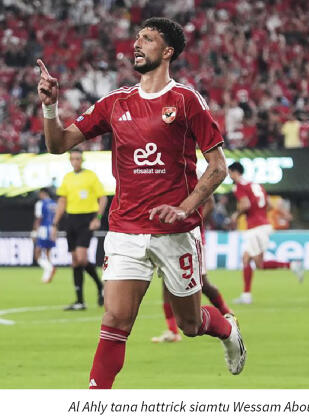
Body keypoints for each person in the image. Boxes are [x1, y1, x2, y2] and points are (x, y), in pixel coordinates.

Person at [37, 17, 246, 388]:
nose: (137, 43)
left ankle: (227, 329)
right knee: (115, 320)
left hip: (176, 232)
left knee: (190, 324)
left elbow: (217, 168)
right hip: (126, 230)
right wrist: (50, 108)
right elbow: (57, 144)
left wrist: (185, 207)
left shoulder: (186, 101)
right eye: (137, 37)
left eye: (147, 38)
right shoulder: (115, 102)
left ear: (167, 52)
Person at [152, 194, 232, 343]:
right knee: (166, 285)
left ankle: (229, 316)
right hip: (169, 238)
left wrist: (193, 222)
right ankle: (172, 331)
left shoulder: (194, 179)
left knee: (204, 284)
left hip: (191, 239)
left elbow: (210, 203)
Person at [228, 161, 304, 305]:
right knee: (252, 261)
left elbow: (245, 205)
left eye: (229, 173)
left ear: (234, 172)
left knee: (253, 262)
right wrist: (261, 213)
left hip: (255, 228)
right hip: (263, 225)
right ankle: (246, 295)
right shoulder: (256, 185)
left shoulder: (239, 186)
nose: (229, 176)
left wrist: (236, 215)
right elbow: (268, 205)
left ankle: (292, 265)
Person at [52, 149, 107, 311]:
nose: (75, 161)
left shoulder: (91, 176)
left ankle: (100, 286)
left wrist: (97, 218)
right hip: (71, 220)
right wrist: (55, 224)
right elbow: (62, 201)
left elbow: (102, 198)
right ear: (70, 160)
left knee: (82, 258)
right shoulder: (67, 178)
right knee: (75, 261)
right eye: (73, 159)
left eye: (78, 158)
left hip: (86, 220)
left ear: (82, 160)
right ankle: (80, 301)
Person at [31, 187, 57, 283]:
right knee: (48, 253)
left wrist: (34, 232)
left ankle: (50, 268)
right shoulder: (54, 204)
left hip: (43, 230)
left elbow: (38, 218)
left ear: (43, 193)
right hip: (52, 229)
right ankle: (47, 276)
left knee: (37, 254)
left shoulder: (40, 203)